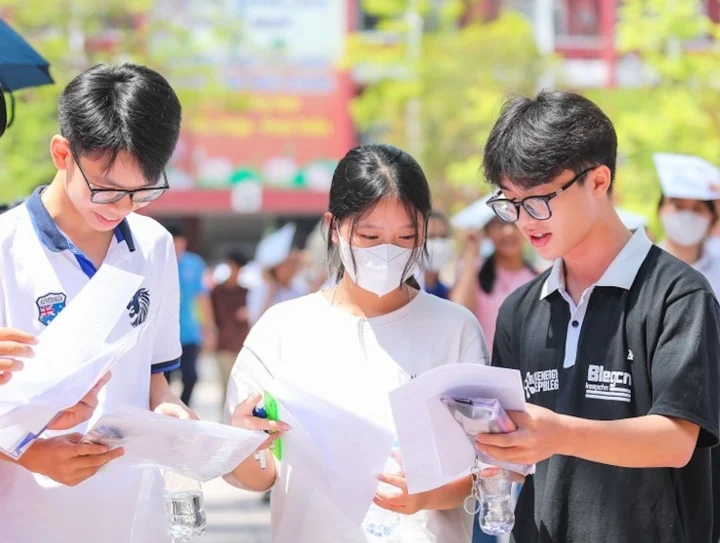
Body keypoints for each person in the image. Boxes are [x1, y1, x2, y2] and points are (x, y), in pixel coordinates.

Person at [474, 91, 720, 543]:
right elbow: (512, 456)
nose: (525, 221)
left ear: (599, 180)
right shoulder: (521, 310)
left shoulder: (677, 295)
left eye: (540, 199)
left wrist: (558, 434)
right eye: (511, 201)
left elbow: (676, 439)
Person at [223, 143, 490, 542]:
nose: (387, 252)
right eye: (369, 236)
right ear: (334, 227)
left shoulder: (454, 329)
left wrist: (423, 496)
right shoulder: (283, 329)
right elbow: (257, 476)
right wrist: (243, 442)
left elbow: (481, 471)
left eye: (405, 236)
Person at [0, 63, 197, 543]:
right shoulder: (7, 249)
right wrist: (30, 455)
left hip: (133, 515)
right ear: (63, 153)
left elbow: (155, 378)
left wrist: (169, 410)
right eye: (106, 190)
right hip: (25, 515)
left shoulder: (151, 246)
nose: (120, 208)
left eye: (142, 193)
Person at [451, 199, 537, 354]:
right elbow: (458, 312)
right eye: (499, 225)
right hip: (484, 372)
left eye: (513, 223)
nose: (508, 231)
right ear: (487, 233)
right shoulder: (473, 272)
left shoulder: (538, 279)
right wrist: (471, 253)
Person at [166, 225, 216, 406]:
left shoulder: (194, 264)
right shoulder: (158, 261)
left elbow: (202, 297)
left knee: (191, 376)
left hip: (188, 332)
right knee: (164, 378)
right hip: (163, 332)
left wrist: (208, 328)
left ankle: (183, 407)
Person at [245, 223, 309, 326]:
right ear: (276, 267)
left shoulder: (300, 288)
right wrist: (271, 291)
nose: (292, 268)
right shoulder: (261, 290)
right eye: (288, 264)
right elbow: (257, 323)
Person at [210, 250, 250, 406]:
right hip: (223, 344)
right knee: (226, 386)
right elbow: (209, 316)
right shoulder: (216, 291)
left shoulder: (246, 292)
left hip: (242, 345)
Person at [423, 210, 454, 299]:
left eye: (443, 237)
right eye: (431, 237)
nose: (438, 243)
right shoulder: (405, 293)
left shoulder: (445, 291)